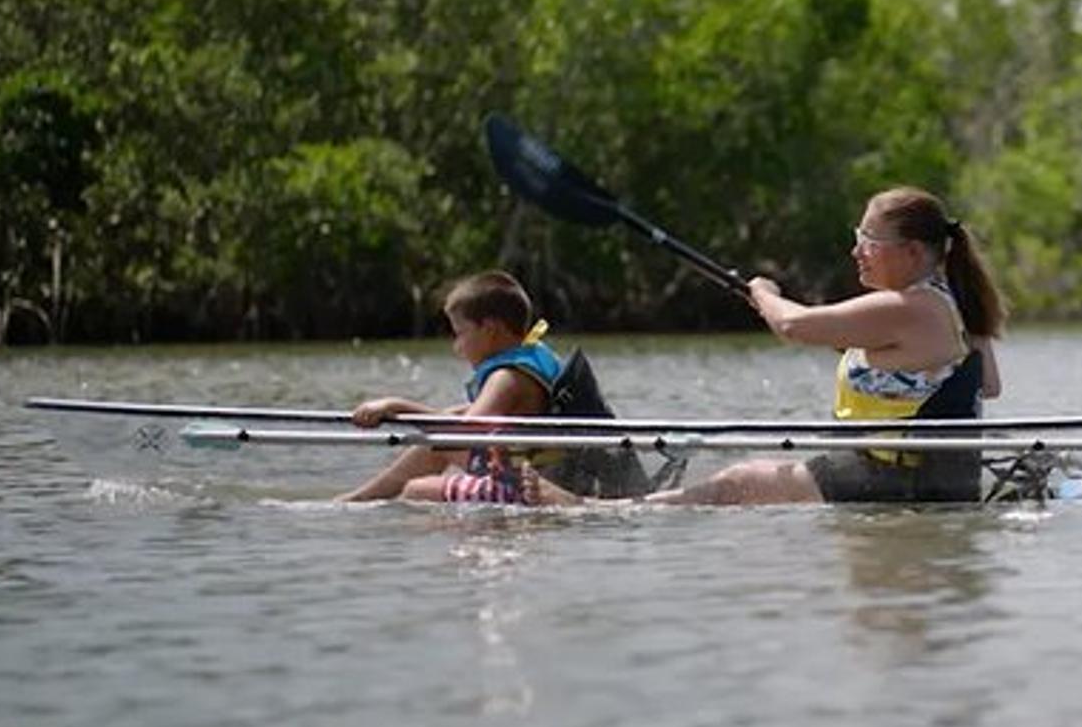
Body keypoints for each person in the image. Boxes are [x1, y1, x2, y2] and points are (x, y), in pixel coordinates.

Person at [529, 186, 1006, 506]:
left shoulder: (909, 306)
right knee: (747, 484)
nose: (855, 250)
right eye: (856, 237)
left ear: (913, 253)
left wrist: (765, 294)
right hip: (922, 476)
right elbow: (984, 384)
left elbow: (795, 326)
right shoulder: (950, 302)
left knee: (738, 483)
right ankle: (631, 508)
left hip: (898, 482)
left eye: (868, 240)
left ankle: (613, 513)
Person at [337, 271, 642, 503]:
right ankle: (359, 499)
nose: (456, 346)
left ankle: (357, 501)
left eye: (460, 334)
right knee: (454, 414)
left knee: (417, 490)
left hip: (526, 482)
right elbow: (464, 424)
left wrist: (396, 406)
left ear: (491, 329)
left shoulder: (505, 378)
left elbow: (458, 436)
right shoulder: (530, 356)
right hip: (538, 462)